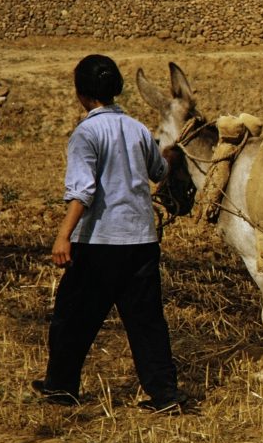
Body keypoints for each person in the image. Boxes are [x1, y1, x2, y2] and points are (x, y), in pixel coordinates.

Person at [32, 54, 187, 413]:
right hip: (142, 241)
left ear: (81, 94)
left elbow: (82, 190)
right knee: (147, 321)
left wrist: (62, 236)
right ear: (116, 89)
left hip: (100, 242)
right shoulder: (137, 129)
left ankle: (60, 387)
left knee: (72, 317)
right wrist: (171, 157)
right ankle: (164, 395)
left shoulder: (86, 133)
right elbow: (159, 170)